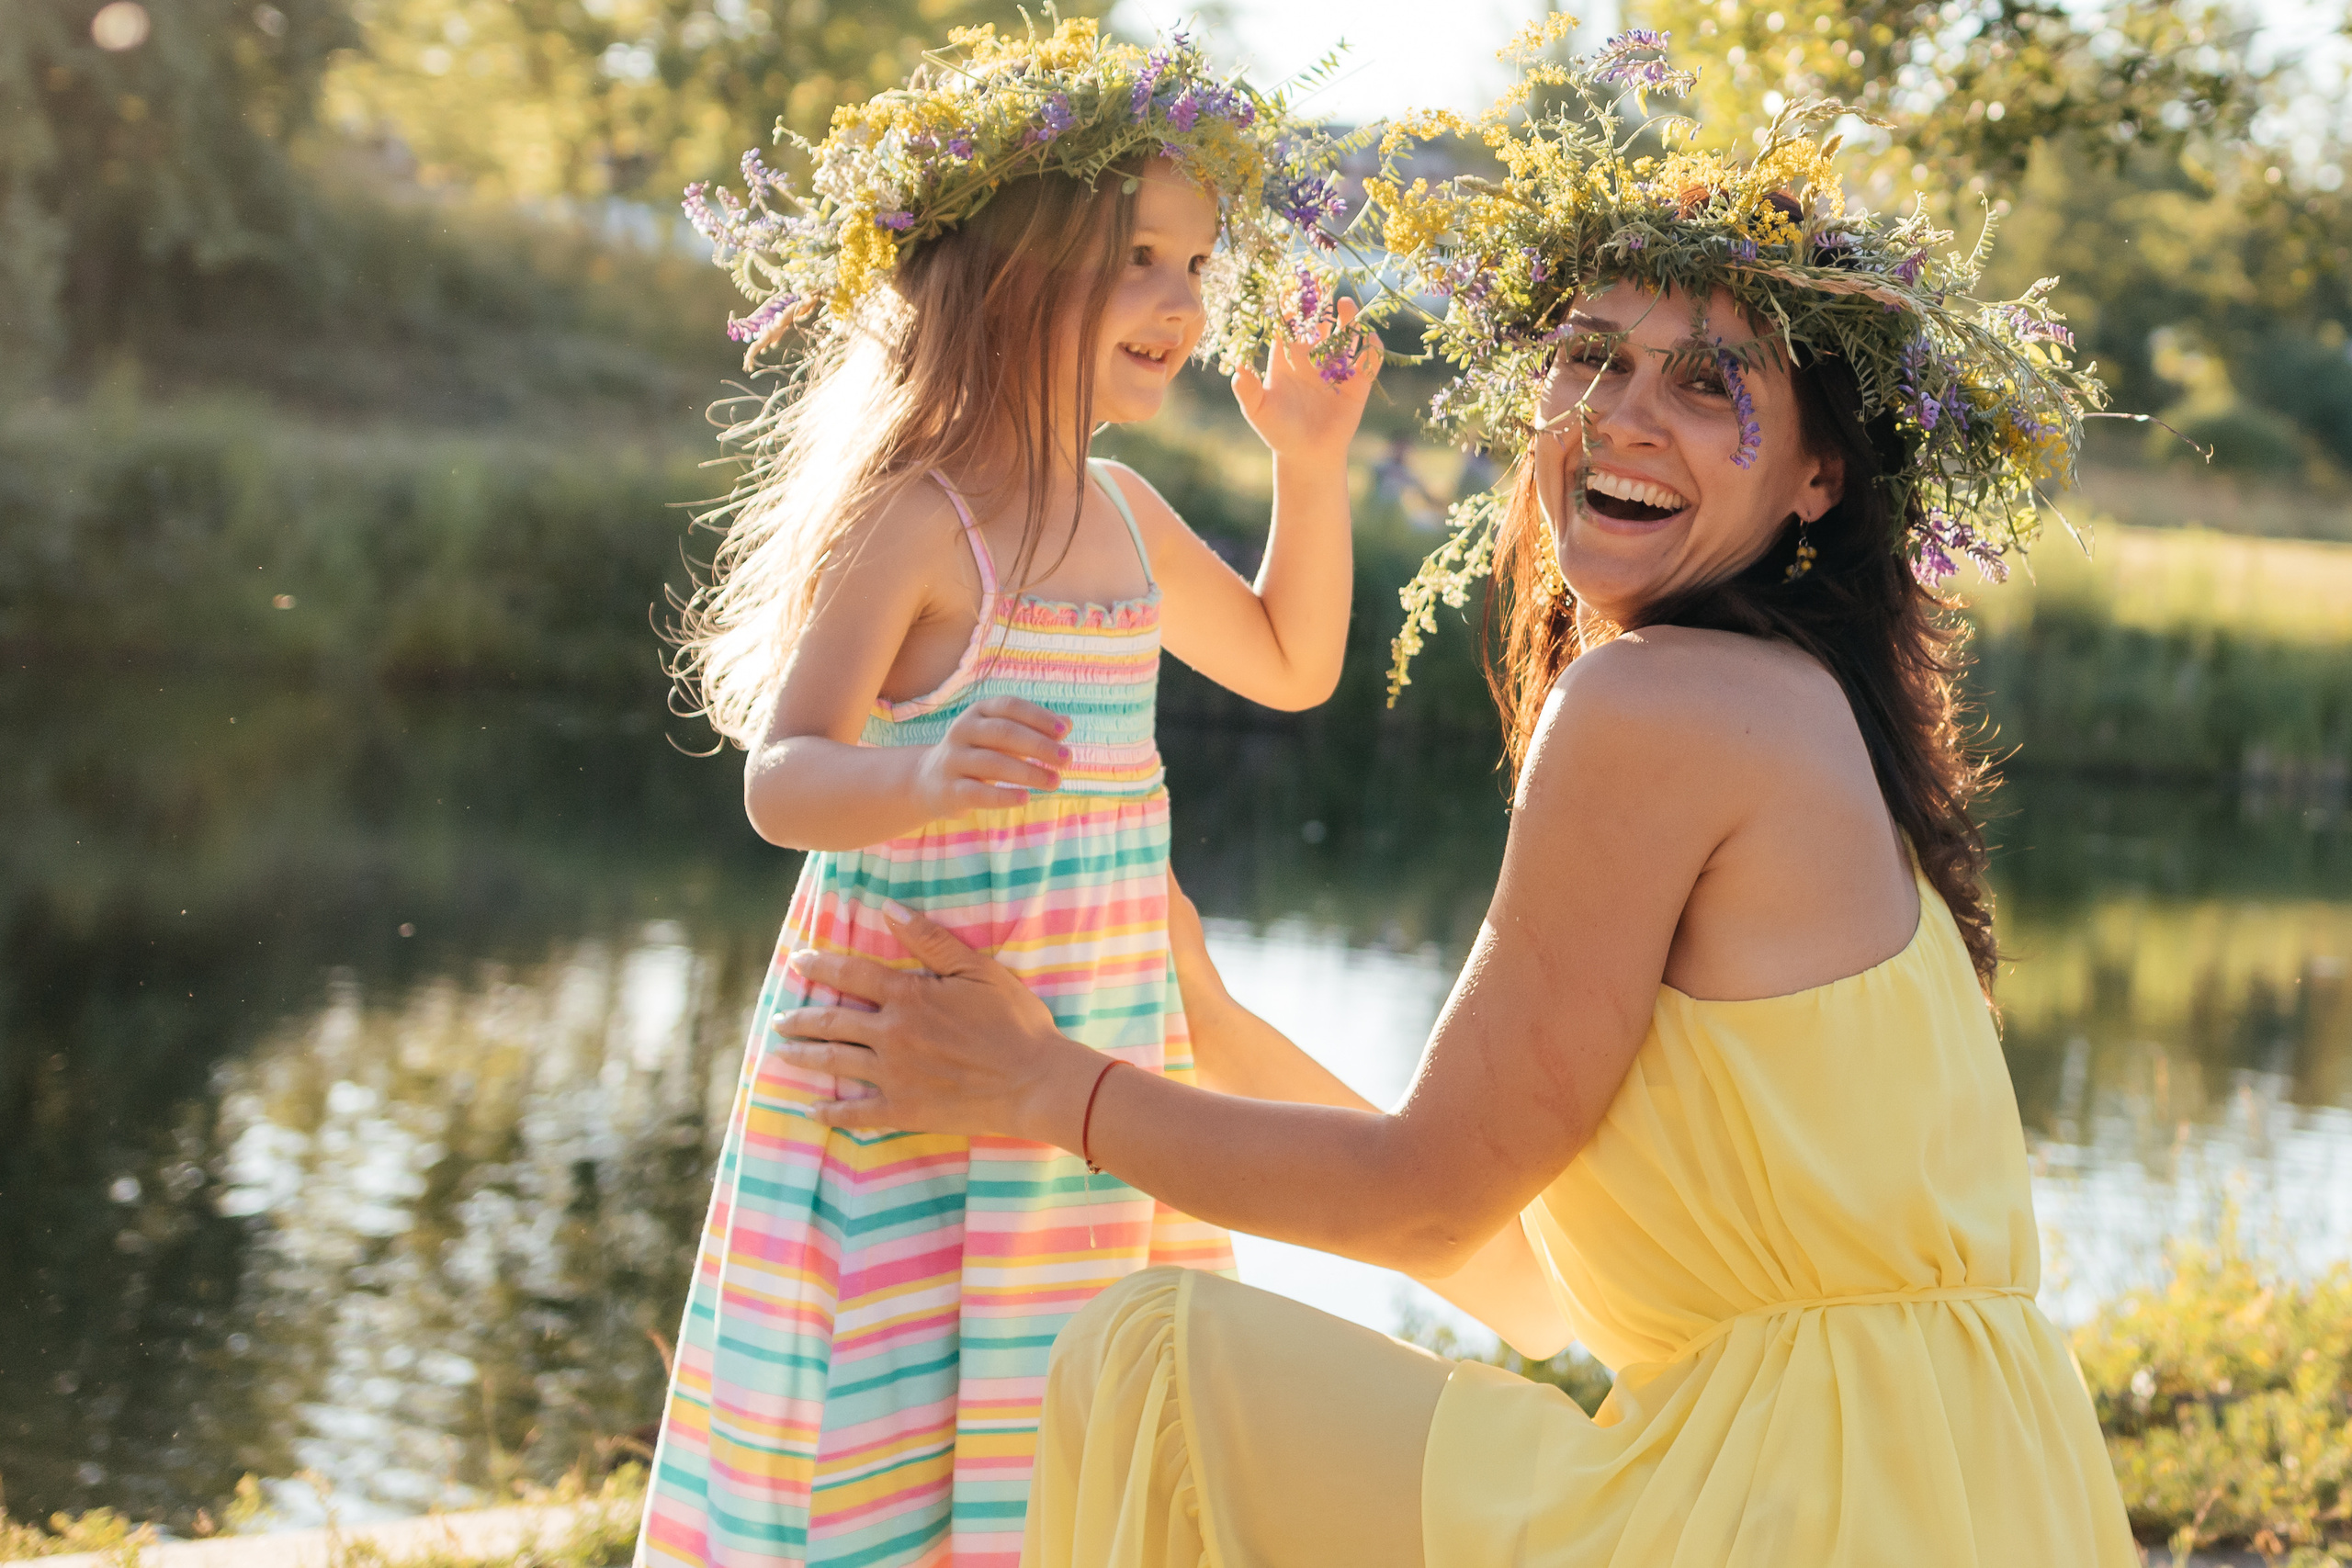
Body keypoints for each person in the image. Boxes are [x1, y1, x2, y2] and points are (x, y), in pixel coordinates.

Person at [757, 28, 2139, 1568]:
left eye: (1707, 383)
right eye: (1591, 357)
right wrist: (1211, 1024)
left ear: (1820, 472)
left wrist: (1043, 1091)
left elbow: (1419, 1209)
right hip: (1977, 1498)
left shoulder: (1657, 704)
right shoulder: (1819, 714)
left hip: (1782, 1513)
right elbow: (1529, 1283)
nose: (1621, 413)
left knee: (1149, 1360)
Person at [640, 21, 1377, 1568]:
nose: (1183, 301)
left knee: (1071, 1443)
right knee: (886, 1436)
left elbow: (1292, 661)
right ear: (1012, 278)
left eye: (1197, 263)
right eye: (1139, 261)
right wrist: (918, 775)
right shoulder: (923, 522)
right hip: (908, 1075)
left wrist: (1312, 467)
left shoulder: (1125, 513)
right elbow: (783, 777)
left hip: (1083, 1066)